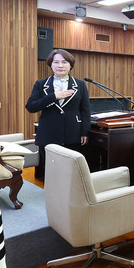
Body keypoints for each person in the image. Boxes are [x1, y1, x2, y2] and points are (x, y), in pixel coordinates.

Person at [25, 49, 90, 177]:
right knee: (51, 173)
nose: (60, 65)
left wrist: (84, 132)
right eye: (56, 62)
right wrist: (53, 96)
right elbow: (31, 107)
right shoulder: (41, 84)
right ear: (51, 65)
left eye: (64, 62)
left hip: (73, 134)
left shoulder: (80, 85)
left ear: (70, 65)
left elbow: (85, 110)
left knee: (71, 173)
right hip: (48, 134)